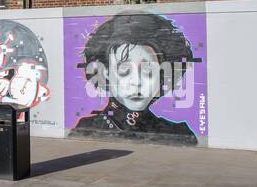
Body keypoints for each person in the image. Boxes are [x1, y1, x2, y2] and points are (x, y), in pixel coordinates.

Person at [74, 13, 200, 144]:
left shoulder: (180, 135)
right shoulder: (86, 129)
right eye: (124, 70)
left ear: (163, 74)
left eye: (148, 70)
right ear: (105, 73)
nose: (136, 82)